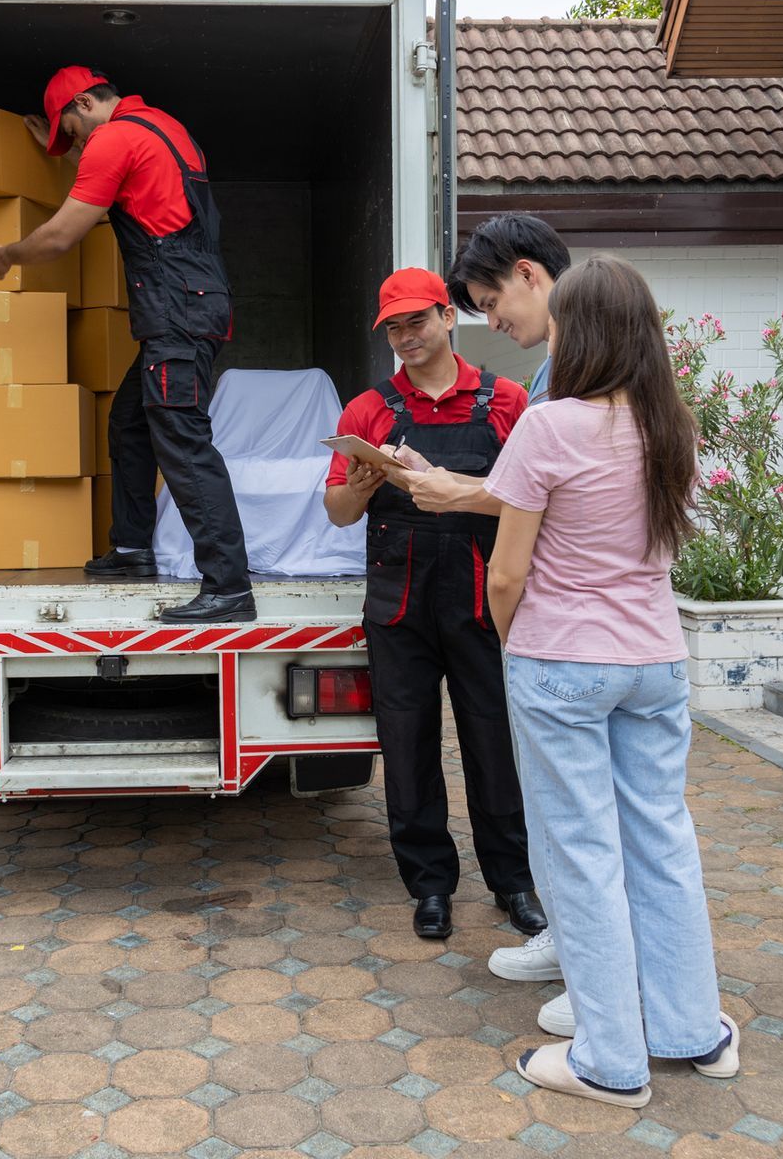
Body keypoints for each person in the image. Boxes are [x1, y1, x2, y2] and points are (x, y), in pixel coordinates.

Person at [483, 254, 737, 1107]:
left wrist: (522, 653)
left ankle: (610, 1062)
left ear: (579, 334)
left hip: (564, 661)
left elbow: (506, 577)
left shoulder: (549, 426)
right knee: (663, 841)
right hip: (656, 663)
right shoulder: (675, 427)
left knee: (582, 854)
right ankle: (693, 1031)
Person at [0, 66, 253, 624]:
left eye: (71, 131)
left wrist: (3, 255)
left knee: (183, 442)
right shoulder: (163, 129)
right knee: (131, 421)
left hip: (176, 311)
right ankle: (131, 550)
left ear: (83, 103)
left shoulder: (113, 139)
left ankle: (228, 587)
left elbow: (59, 235)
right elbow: (127, 184)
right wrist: (68, 150)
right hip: (191, 304)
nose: (76, 143)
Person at [323, 268, 545, 941]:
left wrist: (456, 484)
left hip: (482, 600)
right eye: (393, 327)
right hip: (399, 607)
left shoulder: (507, 401)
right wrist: (361, 483)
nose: (406, 337)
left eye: (416, 321)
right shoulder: (367, 410)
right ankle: (429, 886)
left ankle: (514, 882)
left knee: (494, 744)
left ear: (449, 319)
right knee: (408, 747)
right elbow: (336, 514)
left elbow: (533, 496)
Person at [402, 215, 572, 518]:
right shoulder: (553, 366)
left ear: (525, 274)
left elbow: (555, 499)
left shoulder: (589, 366)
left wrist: (456, 496)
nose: (492, 325)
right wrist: (436, 477)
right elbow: (523, 489)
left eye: (491, 304)